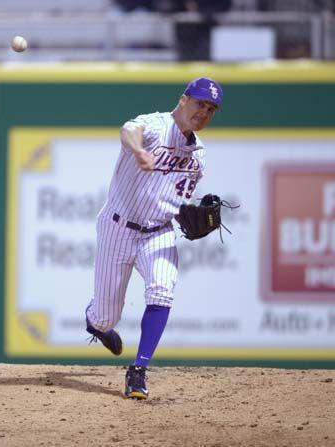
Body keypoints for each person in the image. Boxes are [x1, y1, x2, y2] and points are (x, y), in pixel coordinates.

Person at [85, 77, 223, 399]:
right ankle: (96, 324)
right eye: (200, 104)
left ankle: (139, 370)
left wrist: (185, 215)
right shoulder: (154, 126)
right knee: (107, 315)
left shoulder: (198, 156)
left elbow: (173, 199)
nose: (204, 113)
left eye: (211, 109)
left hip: (158, 233)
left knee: (162, 290)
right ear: (184, 99)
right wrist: (138, 152)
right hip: (118, 228)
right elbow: (127, 132)